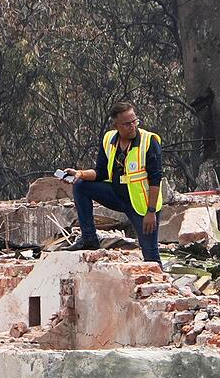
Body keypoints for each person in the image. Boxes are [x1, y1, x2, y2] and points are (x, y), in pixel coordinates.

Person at [62, 102, 164, 267]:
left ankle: (160, 285)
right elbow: (101, 172)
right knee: (80, 185)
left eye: (134, 121)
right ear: (116, 125)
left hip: (141, 205)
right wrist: (79, 173)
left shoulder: (148, 141)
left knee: (150, 255)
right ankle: (89, 238)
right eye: (126, 124)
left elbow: (155, 178)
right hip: (117, 195)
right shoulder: (109, 139)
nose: (132, 126)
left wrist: (151, 212)